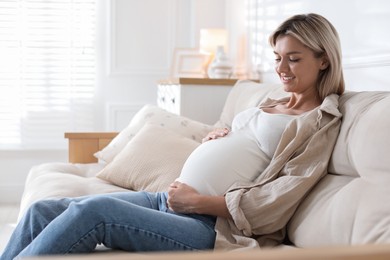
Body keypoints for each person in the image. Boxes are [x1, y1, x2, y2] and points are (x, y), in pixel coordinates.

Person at [0, 13, 344, 259]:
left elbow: (277, 201)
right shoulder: (272, 102)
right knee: (42, 211)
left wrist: (198, 202)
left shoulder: (319, 123)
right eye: (277, 58)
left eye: (294, 59)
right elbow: (247, 150)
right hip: (168, 201)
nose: (281, 69)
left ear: (324, 60)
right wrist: (218, 137)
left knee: (94, 213)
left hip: (210, 225)